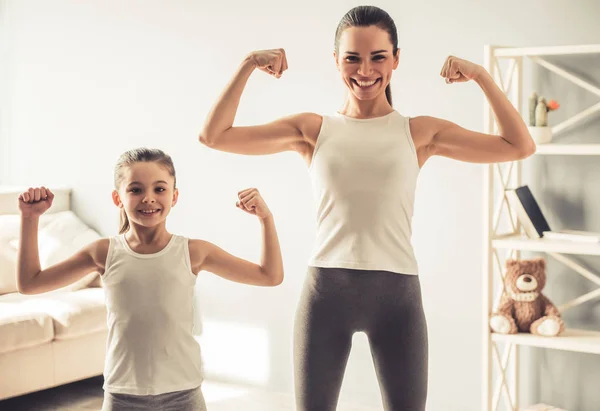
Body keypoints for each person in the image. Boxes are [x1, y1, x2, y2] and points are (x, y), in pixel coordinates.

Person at [198, 5, 535, 410]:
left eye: (378, 57)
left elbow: (520, 145)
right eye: (352, 58)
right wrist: (249, 63)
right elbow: (214, 135)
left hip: (398, 300)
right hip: (325, 295)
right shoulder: (312, 130)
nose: (365, 70)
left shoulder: (419, 132)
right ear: (336, 60)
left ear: (395, 59)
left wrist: (480, 75)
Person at [16, 147, 284, 411]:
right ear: (117, 198)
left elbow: (269, 275)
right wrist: (30, 218)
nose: (148, 198)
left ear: (174, 196)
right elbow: (30, 283)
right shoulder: (103, 252)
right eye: (135, 189)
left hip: (184, 395)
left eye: (159, 189)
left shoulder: (193, 252)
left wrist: (266, 219)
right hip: (122, 396)